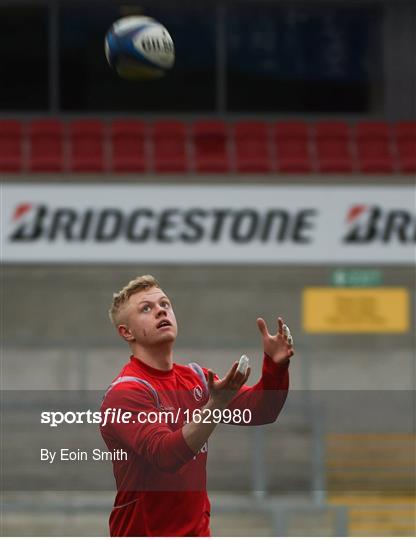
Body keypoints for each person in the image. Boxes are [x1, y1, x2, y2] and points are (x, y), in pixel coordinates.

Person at [100, 274, 294, 537]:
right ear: (127, 332)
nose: (160, 311)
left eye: (165, 304)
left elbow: (263, 410)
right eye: (146, 308)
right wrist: (216, 405)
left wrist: (276, 365)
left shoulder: (195, 378)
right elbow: (165, 455)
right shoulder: (125, 393)